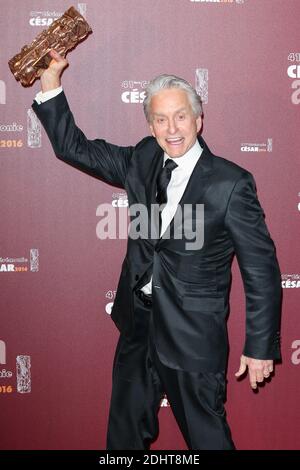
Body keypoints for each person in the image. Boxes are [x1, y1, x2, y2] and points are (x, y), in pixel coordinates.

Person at [32, 50, 281, 450]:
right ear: (150, 124)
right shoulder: (143, 158)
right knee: (122, 443)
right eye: (161, 119)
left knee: (208, 441)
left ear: (199, 119)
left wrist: (259, 347)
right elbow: (73, 148)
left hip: (192, 340)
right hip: (138, 329)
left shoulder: (231, 184)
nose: (172, 129)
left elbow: (262, 271)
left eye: (181, 116)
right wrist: (49, 84)